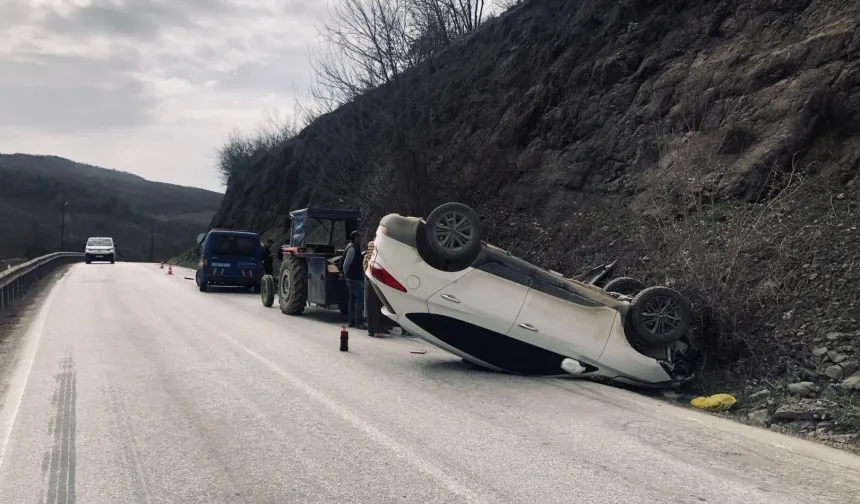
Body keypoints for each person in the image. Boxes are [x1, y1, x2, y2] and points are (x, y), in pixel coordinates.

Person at [340, 230, 365, 329]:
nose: (361, 239)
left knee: (352, 299)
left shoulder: (350, 246)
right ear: (355, 238)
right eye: (359, 237)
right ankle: (358, 322)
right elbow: (346, 264)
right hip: (354, 278)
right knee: (360, 299)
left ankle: (352, 321)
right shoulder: (352, 248)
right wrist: (346, 274)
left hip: (351, 278)